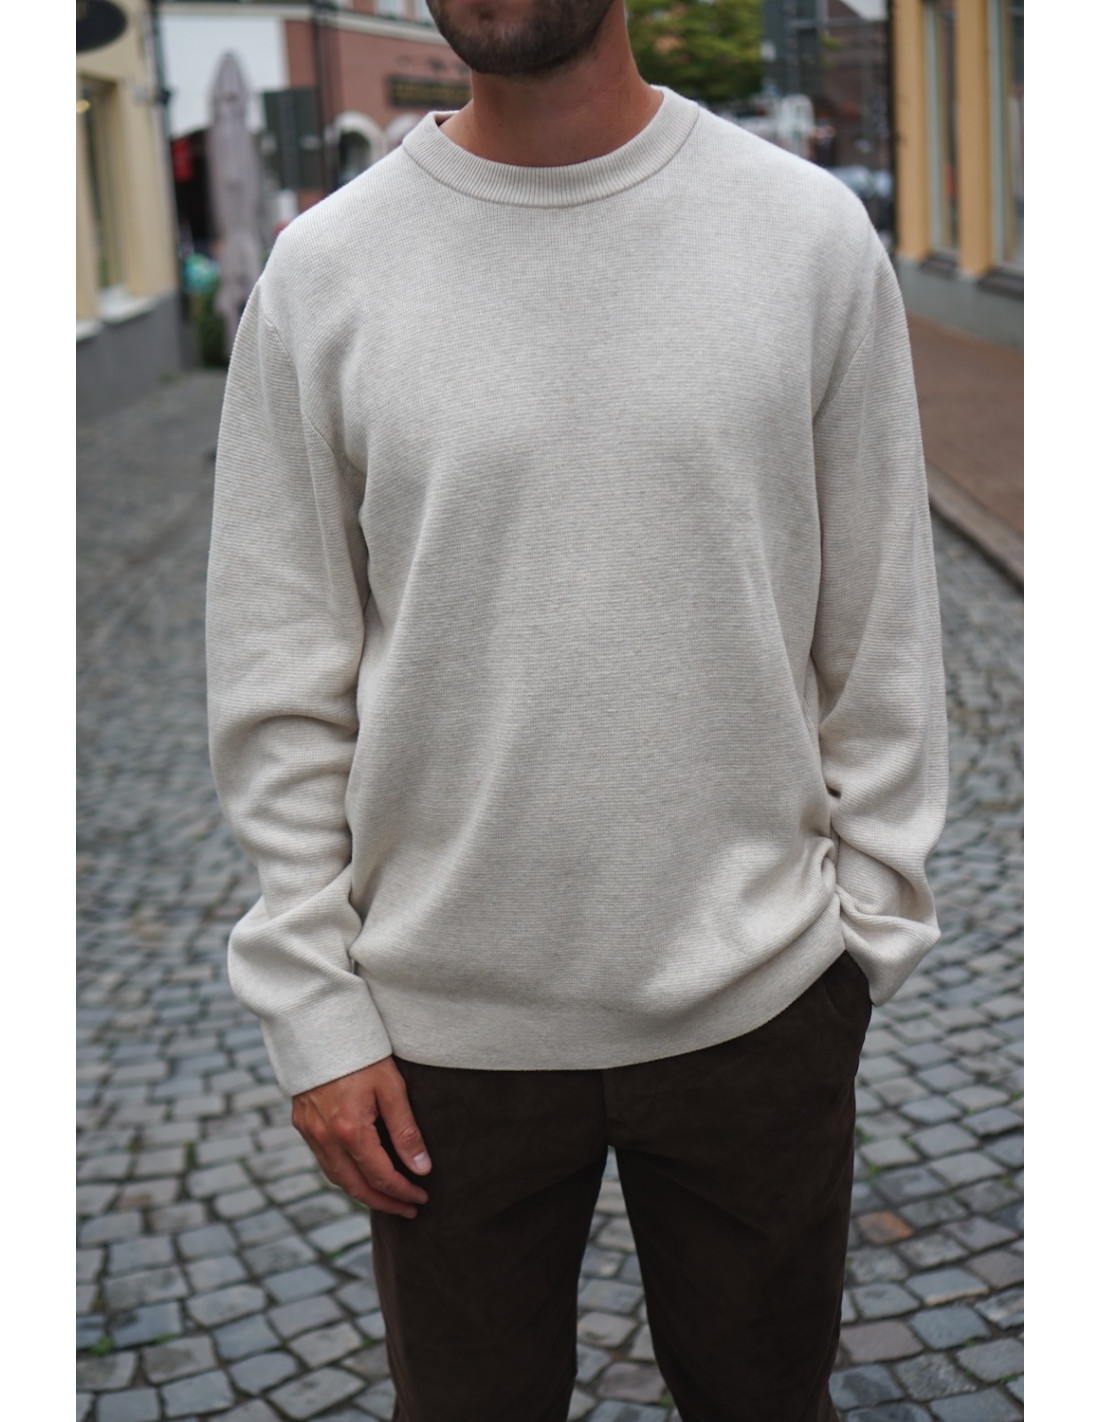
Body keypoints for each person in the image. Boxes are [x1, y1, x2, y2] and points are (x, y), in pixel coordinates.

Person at [206, 2, 948, 1418]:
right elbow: (277, 675)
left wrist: (864, 941)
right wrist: (314, 1011)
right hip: (440, 1037)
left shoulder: (802, 237)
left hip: (761, 1001)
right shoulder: (327, 272)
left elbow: (880, 628)